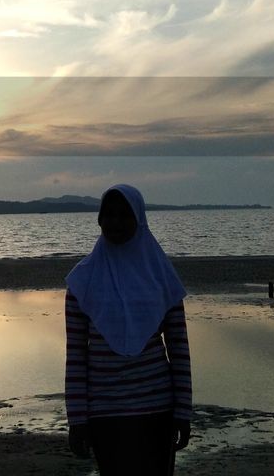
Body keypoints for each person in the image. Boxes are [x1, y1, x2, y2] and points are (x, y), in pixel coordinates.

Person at [65, 184, 192, 474]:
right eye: (108, 215)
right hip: (104, 414)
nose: (116, 222)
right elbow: (76, 358)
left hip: (157, 410)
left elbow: (179, 348)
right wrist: (77, 419)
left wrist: (183, 412)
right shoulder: (82, 282)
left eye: (125, 215)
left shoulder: (161, 277)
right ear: (99, 220)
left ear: (139, 220)